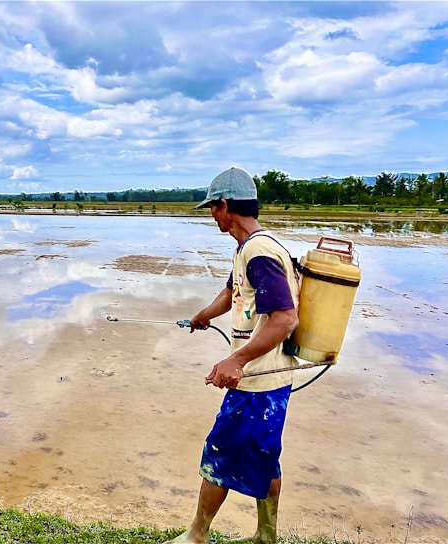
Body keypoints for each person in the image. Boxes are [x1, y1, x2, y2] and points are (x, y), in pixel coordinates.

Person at [165, 167, 300, 544]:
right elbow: (232, 292)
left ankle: (197, 534)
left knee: (219, 449)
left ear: (225, 205)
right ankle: (266, 535)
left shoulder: (259, 251)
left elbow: (286, 318)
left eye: (212, 208)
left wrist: (236, 360)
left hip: (258, 380)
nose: (212, 215)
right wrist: (203, 316)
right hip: (271, 378)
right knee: (265, 455)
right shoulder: (249, 247)